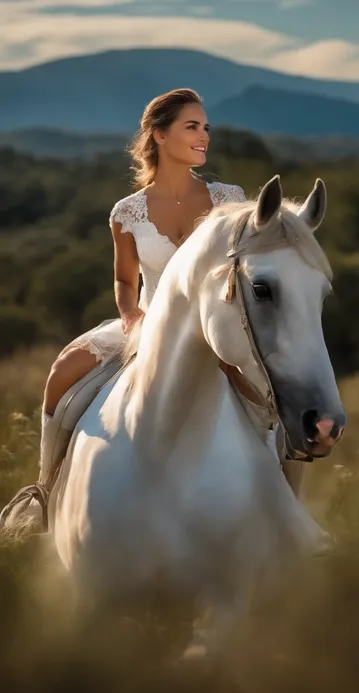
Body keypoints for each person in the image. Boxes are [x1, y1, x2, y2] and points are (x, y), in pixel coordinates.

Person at [30, 87, 304, 501]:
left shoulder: (229, 200)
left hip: (218, 325)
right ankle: (44, 492)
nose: (204, 136)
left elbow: (247, 265)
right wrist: (128, 315)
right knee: (63, 371)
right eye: (191, 126)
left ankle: (289, 506)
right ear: (159, 135)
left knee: (283, 387)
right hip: (148, 322)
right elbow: (125, 280)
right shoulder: (127, 212)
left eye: (205, 127)